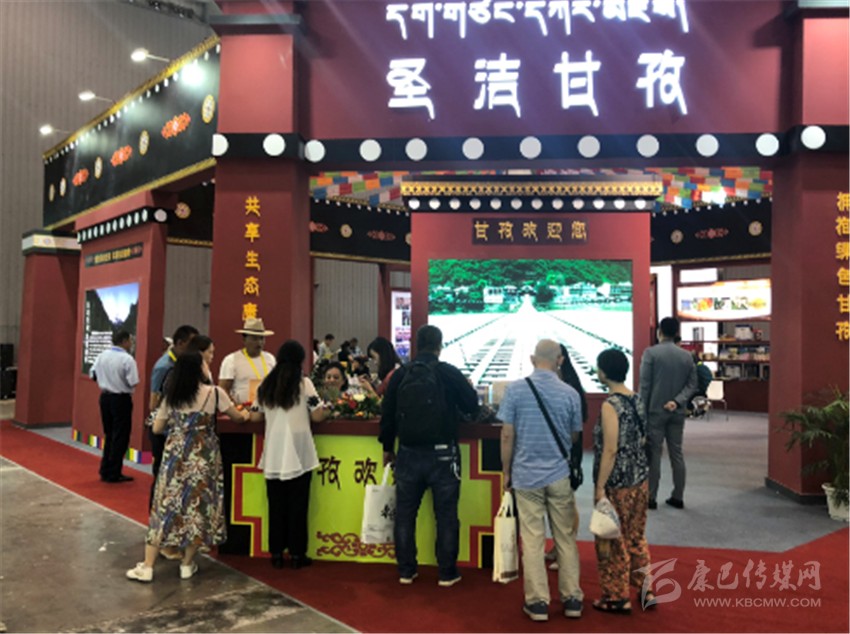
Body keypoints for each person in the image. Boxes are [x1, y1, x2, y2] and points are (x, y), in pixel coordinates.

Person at [126, 352, 249, 583]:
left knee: (165, 506)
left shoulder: (172, 397)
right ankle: (187, 564)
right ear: (199, 369)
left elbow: (157, 428)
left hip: (176, 455)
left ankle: (148, 566)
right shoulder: (214, 393)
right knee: (198, 508)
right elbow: (238, 417)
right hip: (204, 456)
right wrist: (246, 412)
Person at [379, 325, 479, 587]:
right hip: (443, 455)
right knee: (446, 516)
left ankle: (406, 571)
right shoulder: (448, 373)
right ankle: (447, 573)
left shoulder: (401, 375)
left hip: (408, 453)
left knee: (404, 515)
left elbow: (387, 414)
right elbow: (472, 405)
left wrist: (387, 448)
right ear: (439, 346)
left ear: (416, 344)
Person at [498, 339, 584, 622]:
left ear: (533, 360)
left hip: (526, 476)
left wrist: (506, 471)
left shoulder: (515, 390)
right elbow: (574, 436)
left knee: (533, 540)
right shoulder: (570, 393)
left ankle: (537, 604)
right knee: (565, 538)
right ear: (560, 360)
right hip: (559, 474)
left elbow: (507, 434)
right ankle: (572, 599)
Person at [249, 341, 331, 569]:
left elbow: (255, 416)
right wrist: (328, 410)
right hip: (299, 451)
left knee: (275, 506)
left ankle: (276, 553)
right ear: (300, 360)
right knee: (298, 505)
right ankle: (297, 554)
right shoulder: (304, 384)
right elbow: (317, 416)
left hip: (274, 453)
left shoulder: (266, 385)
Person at [592, 348, 654, 615]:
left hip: (617, 483)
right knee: (636, 536)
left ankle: (616, 597)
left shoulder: (611, 405)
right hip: (640, 478)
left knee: (612, 539)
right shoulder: (637, 399)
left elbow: (610, 449)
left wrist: (599, 486)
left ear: (604, 372)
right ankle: (646, 590)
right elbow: (642, 437)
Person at [639, 317, 697, 510]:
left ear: (659, 332)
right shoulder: (687, 356)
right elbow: (692, 385)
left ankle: (651, 497)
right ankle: (678, 496)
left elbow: (645, 386)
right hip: (677, 411)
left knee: (654, 454)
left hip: (655, 411)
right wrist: (677, 401)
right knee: (676, 453)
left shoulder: (651, 353)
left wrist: (641, 414)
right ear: (677, 332)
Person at [148, 325, 198, 508]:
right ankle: (154, 513)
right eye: (191, 344)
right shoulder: (164, 367)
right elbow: (153, 403)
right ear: (180, 343)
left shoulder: (184, 364)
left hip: (177, 430)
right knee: (161, 475)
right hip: (162, 429)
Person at [90, 329, 139, 483]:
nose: (131, 344)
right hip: (121, 399)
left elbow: (93, 374)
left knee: (109, 434)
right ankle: (114, 472)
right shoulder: (127, 359)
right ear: (124, 341)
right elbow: (133, 381)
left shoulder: (102, 355)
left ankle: (105, 469)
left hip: (105, 398)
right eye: (130, 341)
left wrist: (107, 381)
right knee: (121, 436)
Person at [218, 317, 276, 405]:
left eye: (261, 338)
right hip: (241, 410)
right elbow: (223, 390)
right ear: (244, 339)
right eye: (254, 339)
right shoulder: (231, 360)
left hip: (266, 408)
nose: (259, 343)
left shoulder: (270, 359)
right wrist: (236, 408)